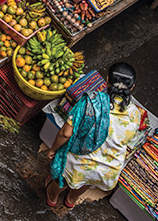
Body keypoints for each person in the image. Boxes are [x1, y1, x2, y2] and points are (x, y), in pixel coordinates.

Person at [46, 63, 146, 209]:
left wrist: (52, 150)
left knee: (63, 178)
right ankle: (71, 199)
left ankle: (52, 197)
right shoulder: (135, 114)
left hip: (80, 164)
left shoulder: (91, 101)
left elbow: (65, 133)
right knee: (88, 180)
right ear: (132, 87)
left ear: (107, 80)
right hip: (108, 170)